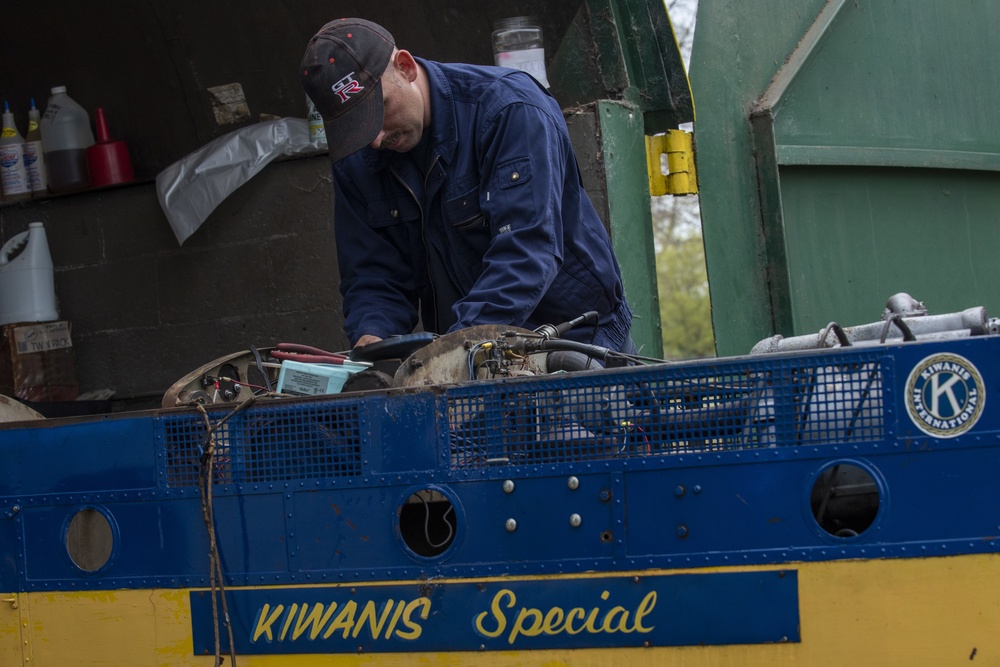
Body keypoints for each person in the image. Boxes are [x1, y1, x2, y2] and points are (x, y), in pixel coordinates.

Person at [300, 18, 634, 357]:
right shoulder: (357, 159)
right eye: (356, 126)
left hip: (573, 339)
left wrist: (452, 350)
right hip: (470, 353)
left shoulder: (509, 108)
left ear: (406, 67)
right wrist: (372, 342)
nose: (375, 139)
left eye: (379, 110)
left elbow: (526, 252)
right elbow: (372, 276)